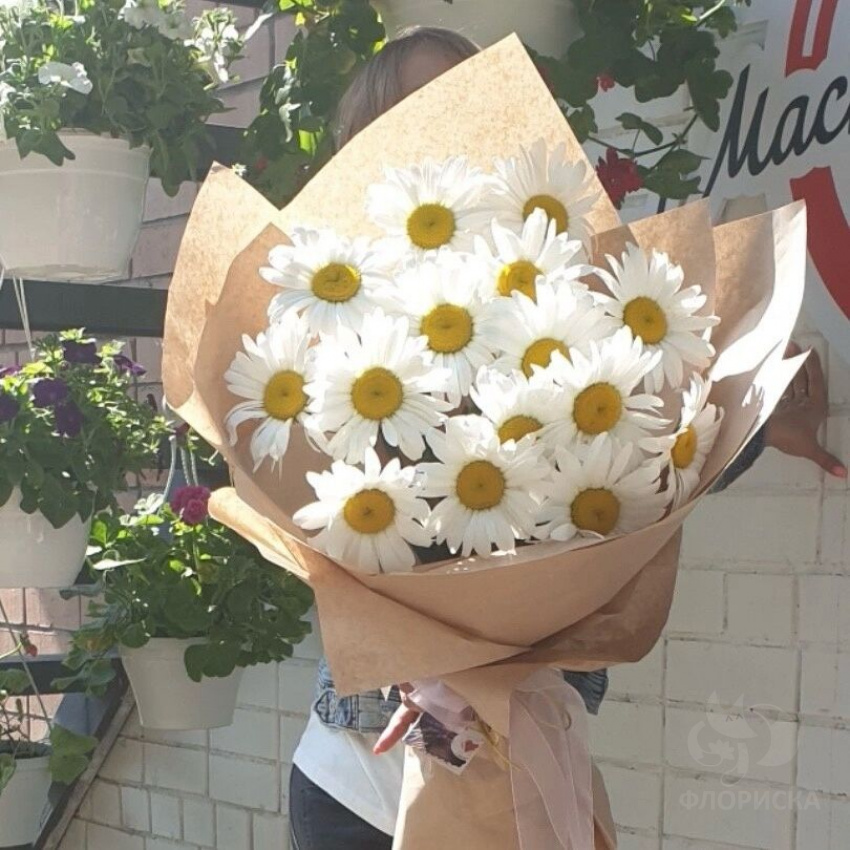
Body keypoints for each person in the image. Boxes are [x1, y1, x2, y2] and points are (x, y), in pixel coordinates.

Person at [288, 27, 848, 850]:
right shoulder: (345, 320)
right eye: (429, 107)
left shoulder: (565, 298)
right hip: (364, 777)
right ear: (373, 141)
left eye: (478, 98)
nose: (462, 124)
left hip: (524, 765)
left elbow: (627, 475)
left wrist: (750, 422)